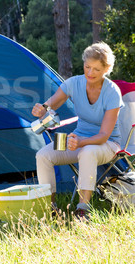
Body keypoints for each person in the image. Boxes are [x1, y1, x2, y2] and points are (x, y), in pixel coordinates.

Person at [32, 42, 123, 221]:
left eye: (96, 69)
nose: (90, 73)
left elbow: (104, 135)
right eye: (87, 67)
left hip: (107, 144)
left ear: (107, 69)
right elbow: (53, 102)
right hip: (79, 139)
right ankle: (50, 208)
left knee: (88, 152)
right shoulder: (74, 83)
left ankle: (83, 209)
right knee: (43, 155)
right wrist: (43, 109)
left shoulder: (112, 92)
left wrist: (81, 142)